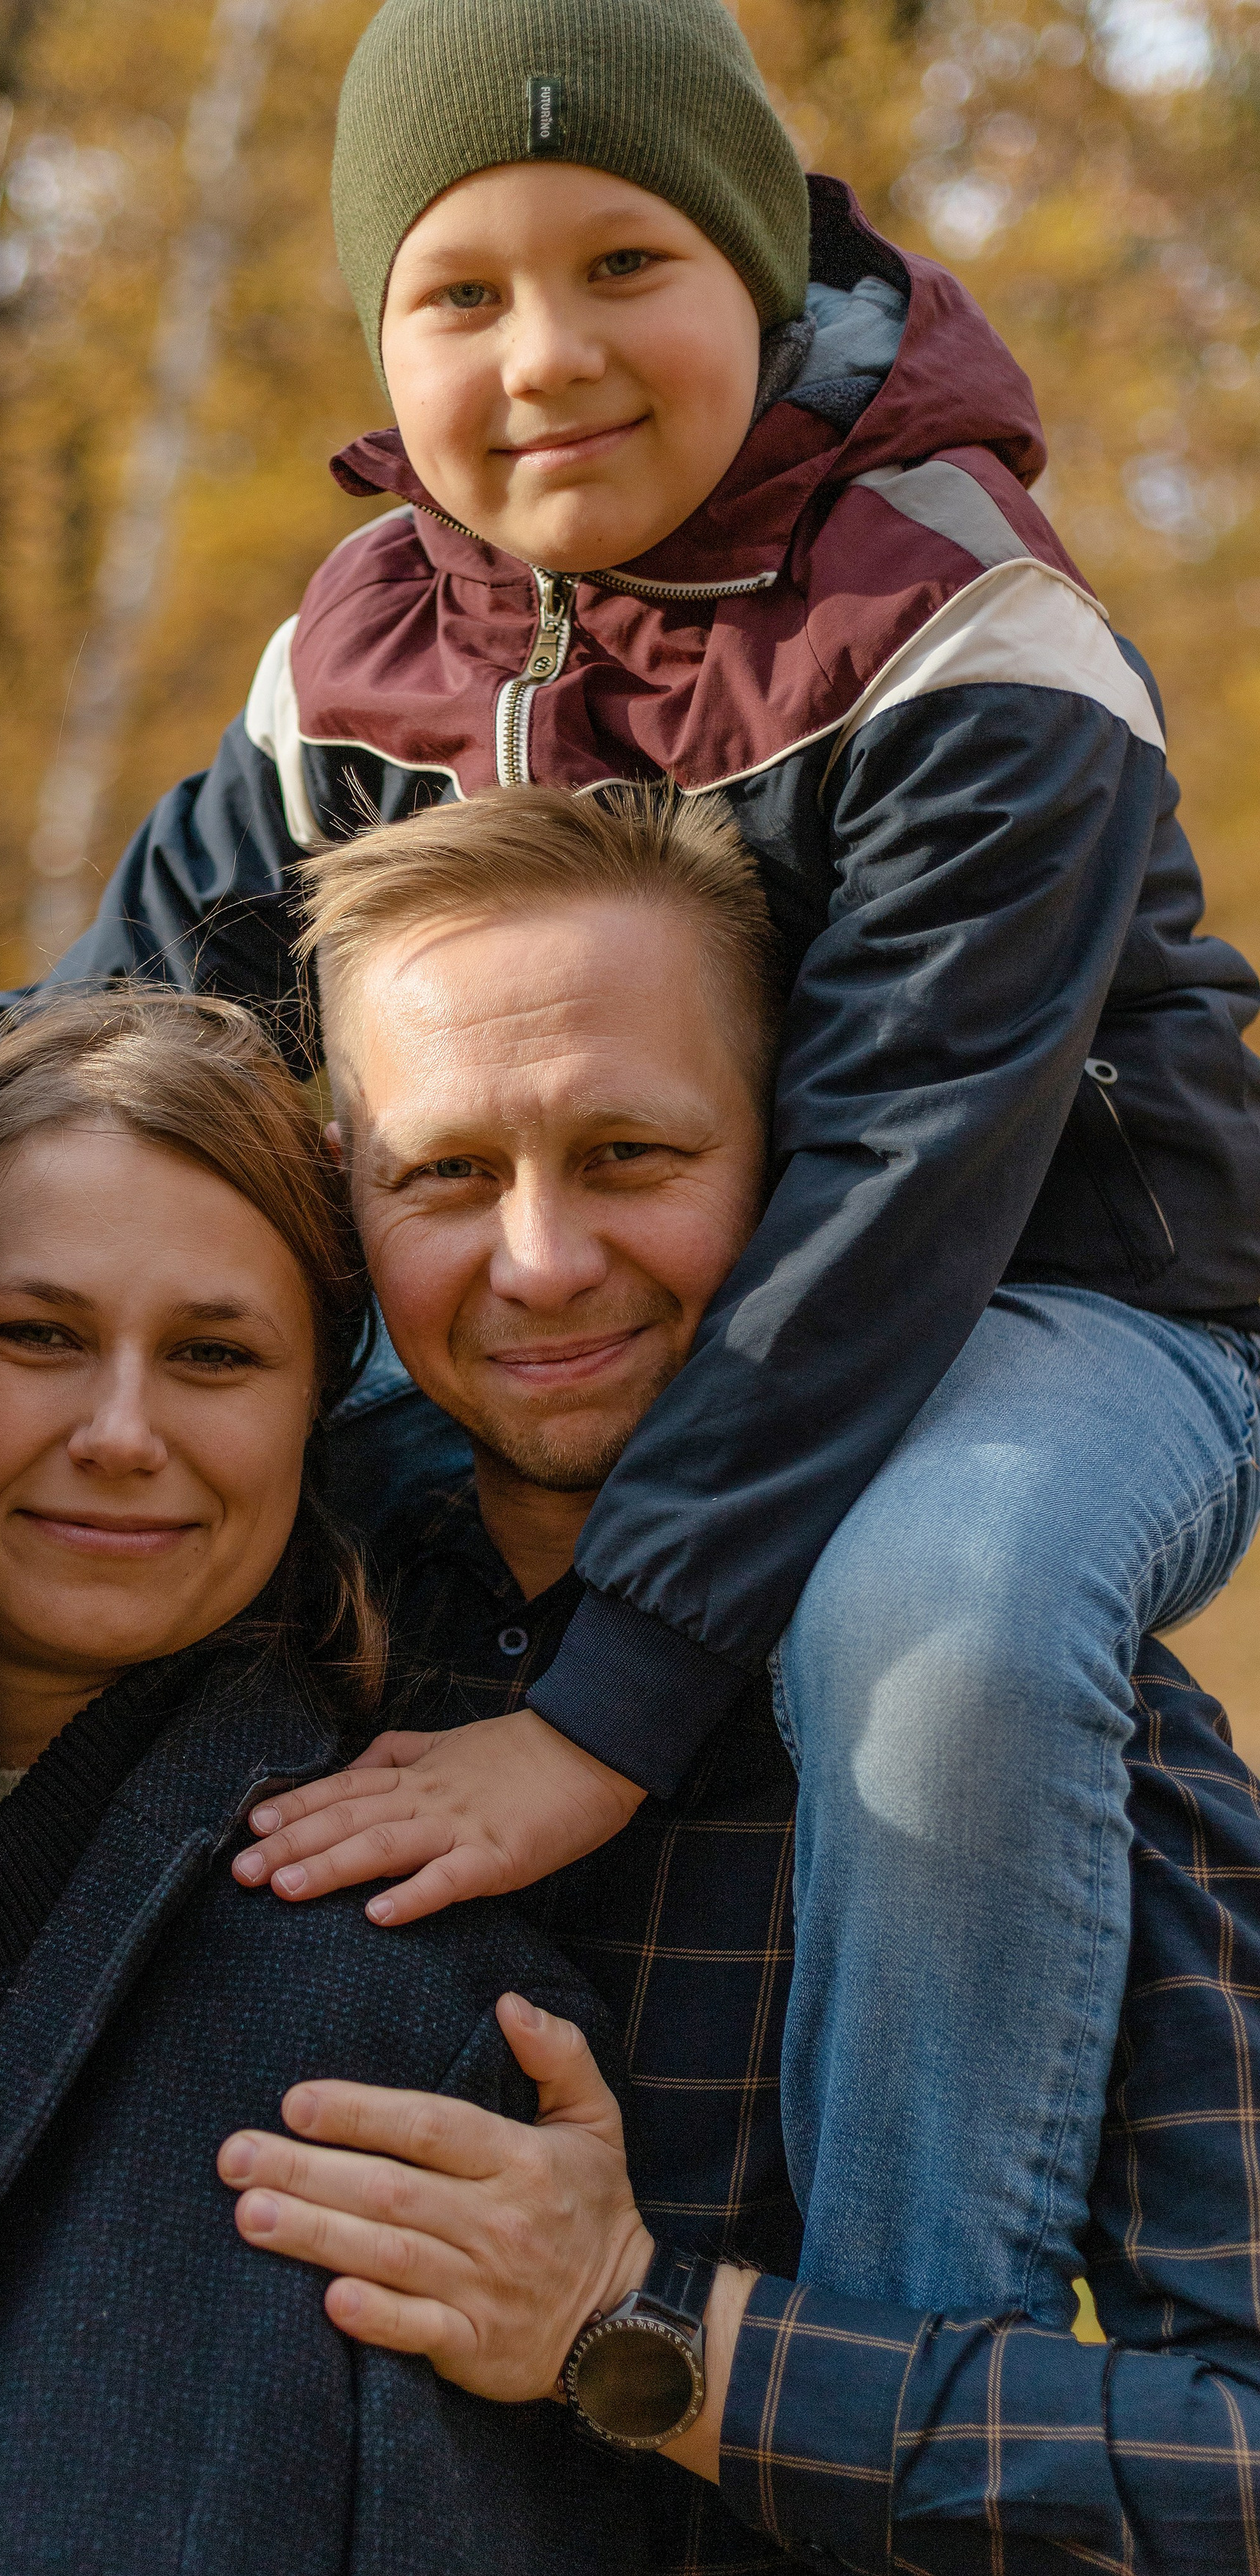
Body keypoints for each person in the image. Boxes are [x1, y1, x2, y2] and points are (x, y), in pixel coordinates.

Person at [0, 0, 1260, 2325]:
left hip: (1058, 1296)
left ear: (761, 279)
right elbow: (101, 1048)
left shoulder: (963, 623)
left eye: (624, 263)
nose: (545, 354)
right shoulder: (350, 651)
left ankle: (895, 2324)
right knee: (215, 1475)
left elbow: (886, 1193)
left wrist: (594, 1717)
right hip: (658, 1287)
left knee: (938, 1623)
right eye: (462, 292)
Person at [207, 791, 1260, 2569]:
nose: (538, 1263)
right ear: (345, 1205)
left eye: (628, 1155)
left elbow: (1234, 2463)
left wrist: (649, 2335)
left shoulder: (998, 1694)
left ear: (798, 1174)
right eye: (445, 1174)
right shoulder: (251, 1627)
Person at [0, 987, 671, 2576]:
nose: (120, 1434)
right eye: (40, 1337)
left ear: (313, 1412)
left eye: (213, 1354)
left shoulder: (389, 2029)